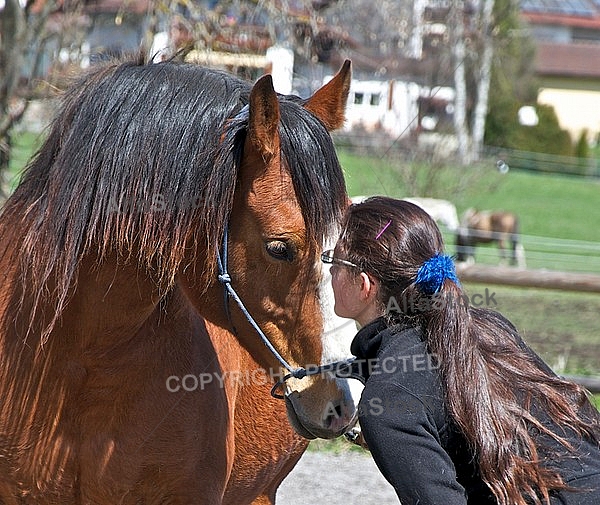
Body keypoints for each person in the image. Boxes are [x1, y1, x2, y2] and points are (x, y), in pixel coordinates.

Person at [323, 196, 600, 505]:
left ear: (364, 285)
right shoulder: (490, 327)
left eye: (334, 262)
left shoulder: (389, 398)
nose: (329, 271)